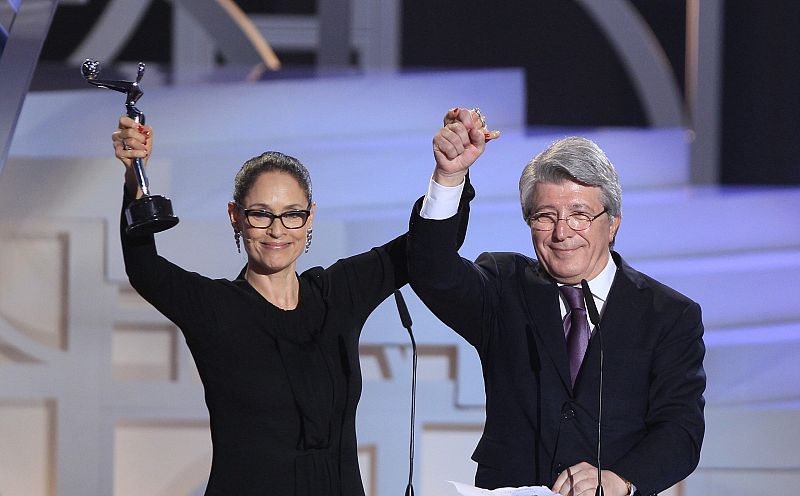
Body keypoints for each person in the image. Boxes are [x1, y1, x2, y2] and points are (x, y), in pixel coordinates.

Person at [112, 115, 467, 495]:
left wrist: (448, 175)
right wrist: (136, 179)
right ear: (236, 217)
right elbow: (145, 268)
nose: (277, 230)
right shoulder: (216, 309)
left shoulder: (335, 295)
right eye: (261, 214)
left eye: (292, 214)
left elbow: (425, 251)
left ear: (310, 217)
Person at [407, 109, 706, 496]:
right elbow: (433, 272)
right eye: (545, 216)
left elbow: (680, 429)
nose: (562, 232)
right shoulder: (504, 285)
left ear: (612, 222)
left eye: (580, 215)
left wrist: (620, 480)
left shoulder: (668, 315)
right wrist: (449, 177)